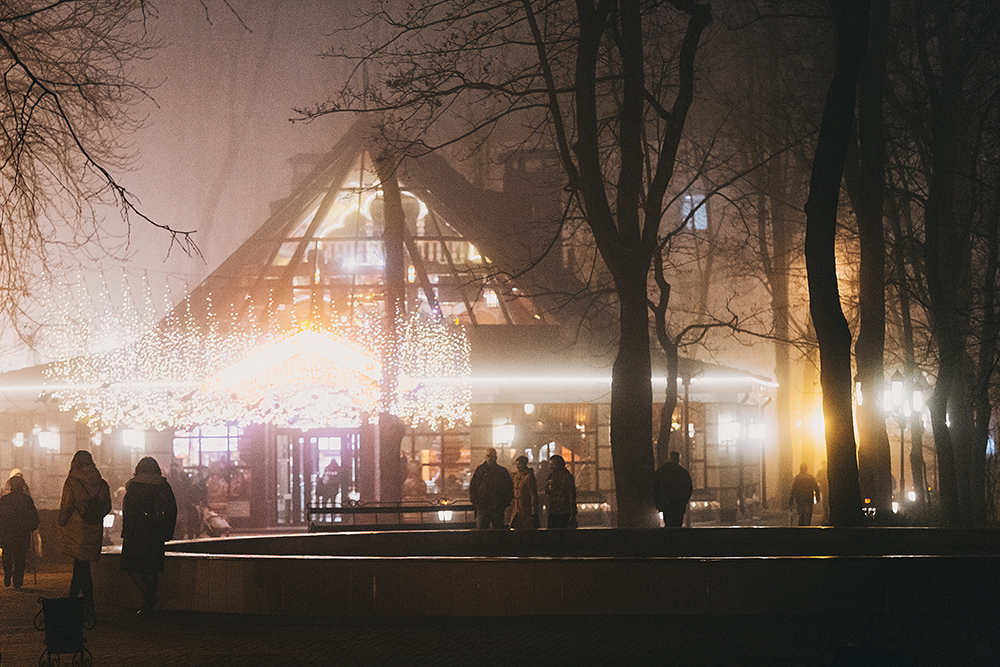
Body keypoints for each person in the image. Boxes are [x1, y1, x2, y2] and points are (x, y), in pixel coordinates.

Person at [120, 457, 178, 614]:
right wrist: (167, 531)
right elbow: (172, 509)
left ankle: (149, 598)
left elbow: (129, 512)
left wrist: (127, 533)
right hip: (156, 532)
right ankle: (150, 600)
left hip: (137, 533)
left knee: (133, 568)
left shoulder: (134, 486)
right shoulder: (164, 486)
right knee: (152, 569)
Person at [58, 450, 111, 606]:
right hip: (94, 528)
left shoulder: (72, 482)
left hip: (76, 530)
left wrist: (61, 521)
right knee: (82, 565)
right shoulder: (101, 483)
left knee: (81, 566)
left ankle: (82, 602)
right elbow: (107, 506)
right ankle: (77, 599)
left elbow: (66, 507)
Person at [0, 475, 40, 589]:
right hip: (22, 533)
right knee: (20, 558)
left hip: (7, 533)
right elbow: (34, 516)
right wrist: (33, 526)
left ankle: (8, 574)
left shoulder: (4, 500)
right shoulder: (27, 500)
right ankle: (18, 581)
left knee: (7, 555)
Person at [468, 448, 514, 529]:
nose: (490, 458)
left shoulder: (481, 470)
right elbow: (509, 487)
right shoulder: (501, 471)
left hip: (490, 506)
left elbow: (473, 487)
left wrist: (476, 501)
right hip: (491, 506)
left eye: (491, 456)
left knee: (483, 530)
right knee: (496, 531)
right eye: (488, 456)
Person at [653, 451, 694, 527]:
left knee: (668, 523)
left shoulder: (661, 471)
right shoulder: (682, 472)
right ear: (678, 459)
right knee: (678, 524)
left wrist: (659, 503)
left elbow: (655, 488)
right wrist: (684, 501)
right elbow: (688, 488)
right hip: (678, 504)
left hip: (666, 503)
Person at [544, 455, 577, 529]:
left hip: (563, 510)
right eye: (550, 464)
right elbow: (547, 491)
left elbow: (571, 495)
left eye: (553, 464)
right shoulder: (551, 476)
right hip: (553, 509)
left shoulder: (567, 477)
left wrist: (572, 511)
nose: (550, 467)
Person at [509, 456, 539, 529]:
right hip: (516, 508)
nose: (517, 466)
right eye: (516, 464)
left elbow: (533, 495)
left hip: (526, 508)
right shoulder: (516, 476)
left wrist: (533, 511)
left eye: (520, 464)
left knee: (526, 528)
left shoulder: (529, 477)